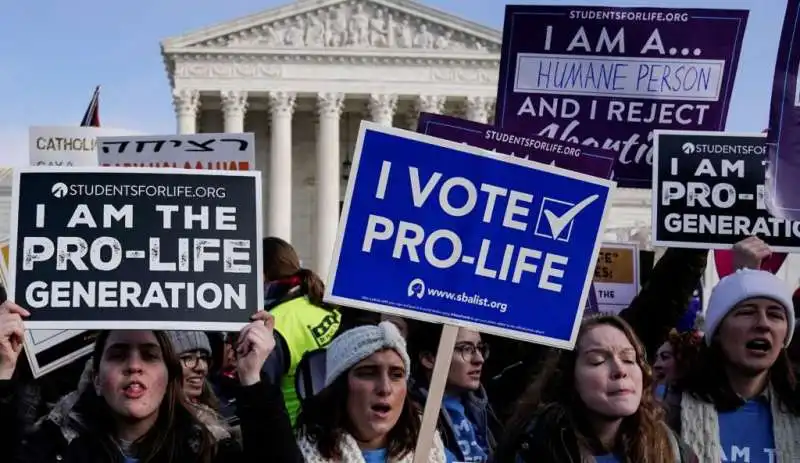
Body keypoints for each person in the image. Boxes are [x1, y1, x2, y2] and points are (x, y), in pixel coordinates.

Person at [0, 299, 302, 462]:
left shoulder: (209, 451)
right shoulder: (52, 450)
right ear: (95, 379)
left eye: (149, 355)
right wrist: (2, 371)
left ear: (170, 377)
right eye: (118, 354)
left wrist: (252, 378)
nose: (134, 366)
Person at [494, 314, 697, 462]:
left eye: (628, 359)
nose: (620, 370)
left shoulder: (672, 450)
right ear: (569, 376)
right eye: (598, 361)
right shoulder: (529, 449)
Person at [664, 269, 800, 461]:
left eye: (775, 315)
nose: (763, 324)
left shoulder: (796, 408)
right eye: (747, 312)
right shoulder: (669, 408)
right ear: (717, 331)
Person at [296, 321, 449, 462]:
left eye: (396, 375)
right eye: (368, 373)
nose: (385, 388)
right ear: (340, 385)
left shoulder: (429, 443)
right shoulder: (296, 454)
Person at [260, 236, 342, 423]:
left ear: (262, 274)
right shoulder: (320, 303)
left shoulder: (274, 323)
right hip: (333, 425)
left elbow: (261, 396)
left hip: (295, 432)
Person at [409, 323, 501, 462]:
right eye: (466, 349)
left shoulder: (481, 406)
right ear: (429, 359)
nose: (479, 359)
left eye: (480, 348)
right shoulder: (409, 413)